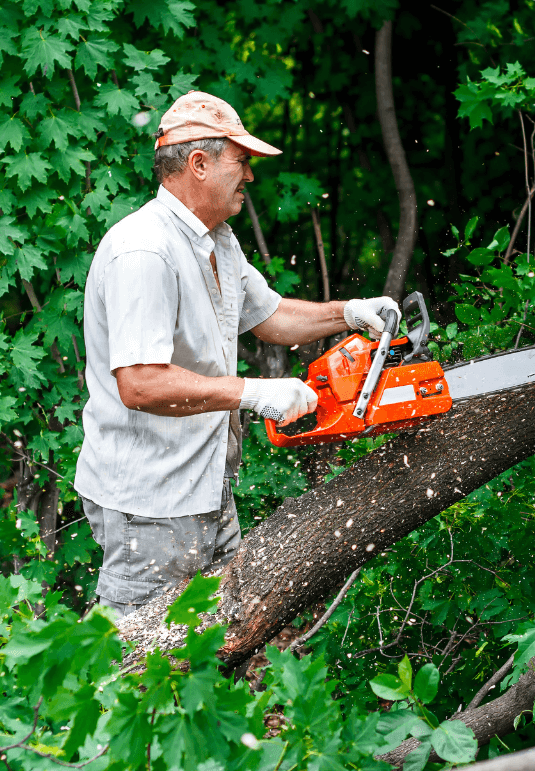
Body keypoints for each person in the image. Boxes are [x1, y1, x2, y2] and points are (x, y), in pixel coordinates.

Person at [74, 90, 399, 616]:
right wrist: (253, 393)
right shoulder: (145, 251)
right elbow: (140, 384)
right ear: (199, 164)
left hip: (205, 485)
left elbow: (270, 316)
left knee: (210, 639)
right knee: (137, 650)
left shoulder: (217, 240)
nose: (249, 175)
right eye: (241, 161)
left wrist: (350, 313)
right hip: (150, 500)